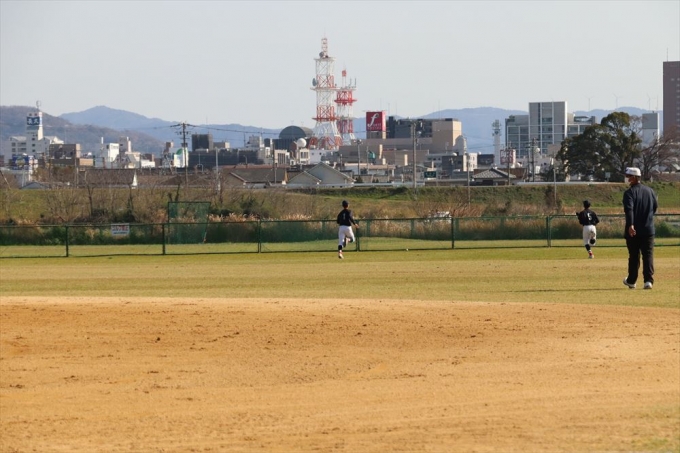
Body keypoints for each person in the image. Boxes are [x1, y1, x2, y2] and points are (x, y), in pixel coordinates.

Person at [622, 167, 658, 290]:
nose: (627, 179)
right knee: (648, 255)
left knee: (634, 255)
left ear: (634, 178)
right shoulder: (650, 191)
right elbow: (655, 207)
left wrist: (631, 225)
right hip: (648, 229)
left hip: (634, 230)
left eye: (628, 176)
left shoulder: (629, 193)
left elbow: (629, 210)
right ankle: (648, 280)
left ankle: (632, 281)